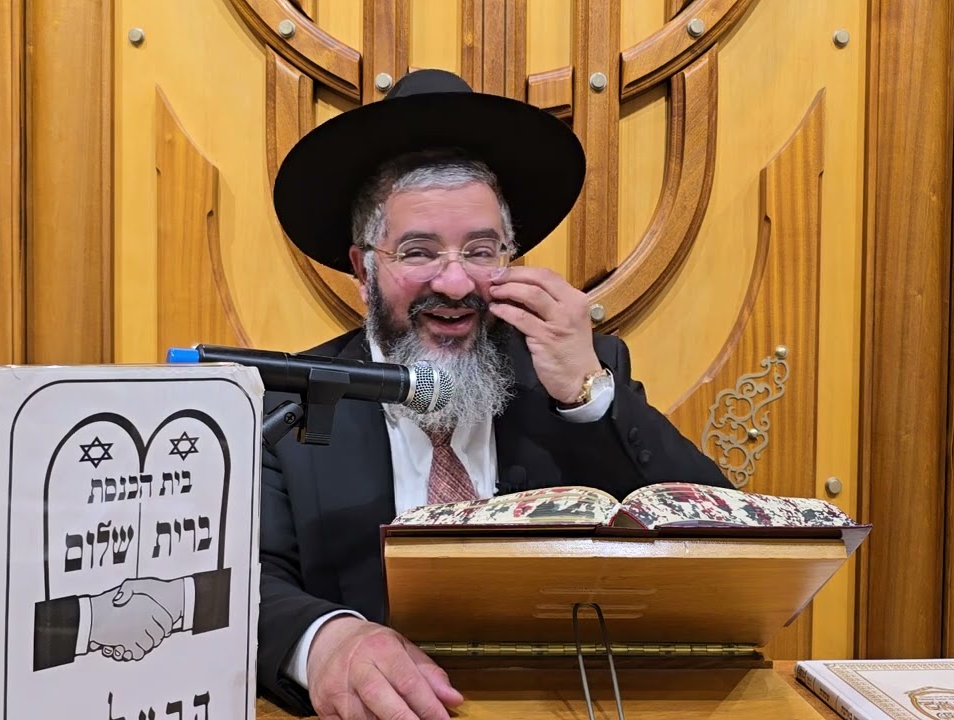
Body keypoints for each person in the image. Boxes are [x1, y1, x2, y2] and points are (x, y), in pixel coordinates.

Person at [260, 68, 730, 719]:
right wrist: (326, 640)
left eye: (481, 251)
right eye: (419, 251)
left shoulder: (574, 376)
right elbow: (243, 576)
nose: (455, 285)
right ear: (364, 269)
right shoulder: (286, 404)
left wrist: (587, 395)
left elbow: (721, 544)